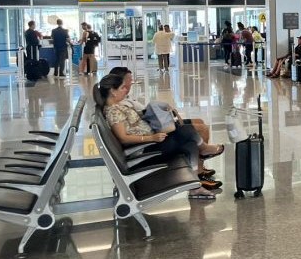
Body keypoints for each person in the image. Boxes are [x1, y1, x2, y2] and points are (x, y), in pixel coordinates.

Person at [93, 74, 224, 199]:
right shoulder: (113, 111)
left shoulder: (117, 106)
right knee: (186, 130)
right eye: (122, 87)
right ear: (113, 91)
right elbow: (123, 138)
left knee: (189, 143)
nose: (125, 89)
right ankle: (205, 148)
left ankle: (195, 187)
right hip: (145, 150)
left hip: (151, 143)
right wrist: (152, 138)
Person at [108, 66, 218, 173]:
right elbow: (124, 137)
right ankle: (201, 161)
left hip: (154, 129)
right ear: (114, 89)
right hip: (153, 135)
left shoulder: (121, 102)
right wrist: (151, 137)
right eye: (127, 82)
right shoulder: (115, 109)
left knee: (198, 123)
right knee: (196, 129)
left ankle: (200, 165)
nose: (130, 84)